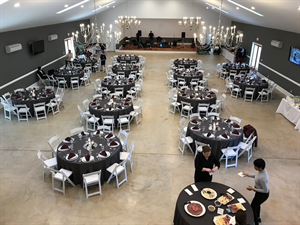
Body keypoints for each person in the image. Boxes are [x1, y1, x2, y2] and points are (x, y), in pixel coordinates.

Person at [242, 158, 269, 225]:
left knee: (253, 207)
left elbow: (265, 190)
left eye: (255, 166)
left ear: (260, 168)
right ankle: (258, 218)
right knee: (257, 205)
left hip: (262, 195)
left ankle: (255, 223)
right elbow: (257, 176)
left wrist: (253, 189)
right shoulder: (262, 171)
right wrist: (248, 175)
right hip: (259, 193)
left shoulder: (263, 178)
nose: (254, 167)